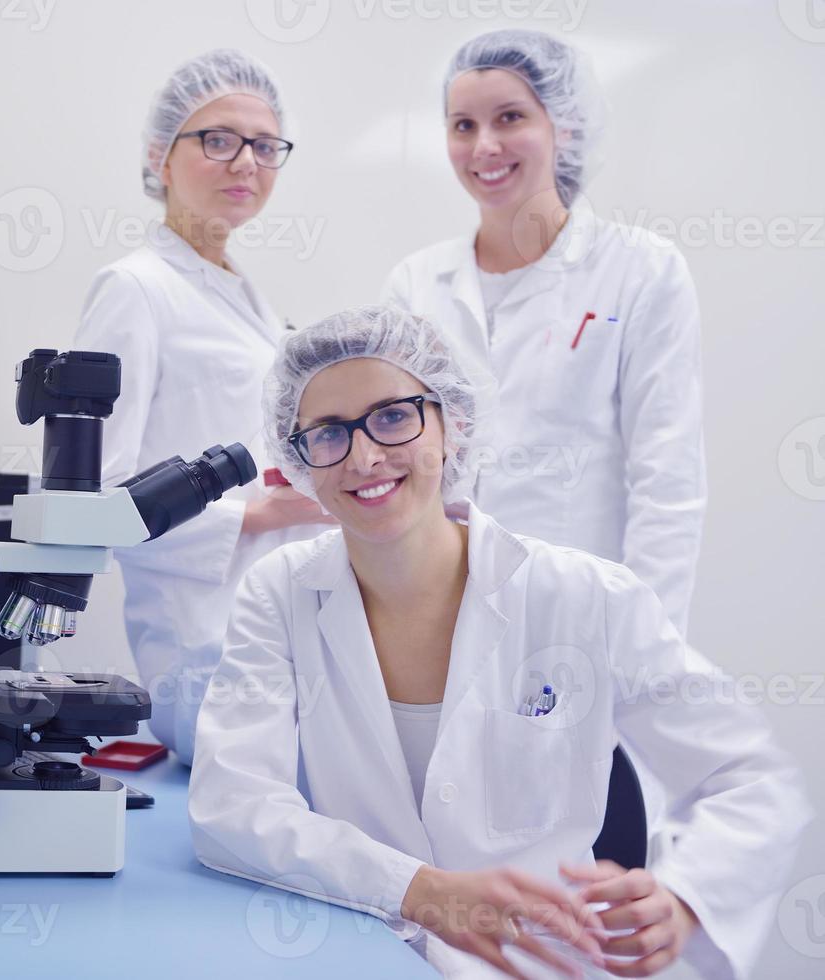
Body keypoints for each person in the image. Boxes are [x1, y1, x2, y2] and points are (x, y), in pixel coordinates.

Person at [188, 307, 809, 979]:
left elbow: (747, 777)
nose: (363, 456)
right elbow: (234, 802)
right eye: (329, 433)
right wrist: (421, 892)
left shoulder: (584, 597)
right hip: (361, 953)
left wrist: (686, 899)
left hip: (546, 962)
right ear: (297, 456)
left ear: (452, 424)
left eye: (392, 416)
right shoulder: (278, 594)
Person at [382, 30, 705, 638]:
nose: (485, 146)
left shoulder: (639, 268)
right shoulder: (416, 283)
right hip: (437, 616)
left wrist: (648, 644)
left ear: (566, 125)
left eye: (510, 117)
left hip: (584, 614)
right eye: (462, 125)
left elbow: (668, 478)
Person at [74, 49, 330, 761]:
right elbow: (91, 496)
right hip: (199, 641)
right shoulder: (134, 288)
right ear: (160, 155)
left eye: (265, 145)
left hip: (273, 614)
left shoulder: (242, 293)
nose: (245, 161)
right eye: (218, 139)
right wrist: (253, 513)